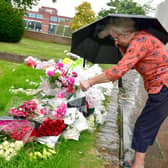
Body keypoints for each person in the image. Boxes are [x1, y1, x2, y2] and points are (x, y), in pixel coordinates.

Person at [79, 18, 168, 168]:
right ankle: (137, 162)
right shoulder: (140, 39)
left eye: (116, 37)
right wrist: (121, 46)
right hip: (161, 88)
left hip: (164, 87)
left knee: (143, 126)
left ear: (127, 33)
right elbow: (132, 64)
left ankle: (137, 165)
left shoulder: (140, 41)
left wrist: (90, 81)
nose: (115, 41)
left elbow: (118, 71)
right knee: (147, 125)